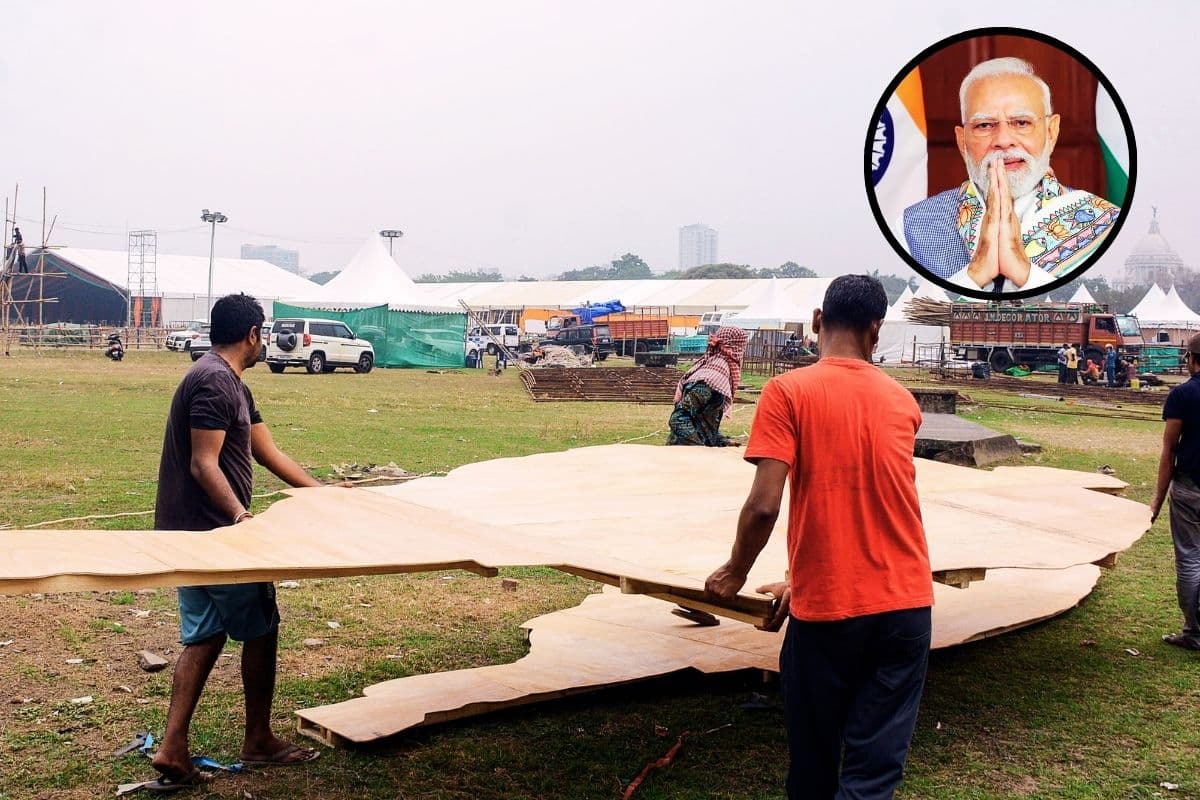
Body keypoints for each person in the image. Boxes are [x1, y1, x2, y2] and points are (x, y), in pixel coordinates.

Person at [705, 275, 933, 798]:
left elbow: (764, 506)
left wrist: (734, 572)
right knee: (873, 772)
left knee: (813, 760)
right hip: (906, 606)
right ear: (876, 331)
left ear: (815, 321)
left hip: (830, 613)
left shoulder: (788, 392)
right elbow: (868, 500)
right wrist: (797, 579)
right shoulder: (903, 401)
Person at [150, 294, 333, 788]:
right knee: (261, 628)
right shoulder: (213, 382)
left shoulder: (232, 385)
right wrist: (240, 517)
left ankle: (172, 747)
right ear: (252, 334)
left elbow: (267, 452)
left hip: (192, 532)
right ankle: (257, 740)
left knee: (205, 634)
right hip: (215, 533)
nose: (265, 343)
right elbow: (202, 463)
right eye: (263, 334)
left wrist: (324, 493)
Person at [902, 58, 1120, 293]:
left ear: (1051, 132)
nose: (1004, 140)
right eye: (984, 125)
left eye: (1021, 123)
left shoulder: (1105, 223)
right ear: (962, 140)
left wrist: (1025, 274)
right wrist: (974, 274)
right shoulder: (912, 227)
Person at [1151, 333, 1200, 652]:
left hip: (1189, 487)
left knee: (1190, 558)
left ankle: (1194, 631)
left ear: (1191, 359)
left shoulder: (1182, 395)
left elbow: (1169, 450)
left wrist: (1157, 500)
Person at [666, 326, 748, 447]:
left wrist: (721, 440)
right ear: (733, 348)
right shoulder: (711, 379)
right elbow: (678, 419)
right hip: (684, 453)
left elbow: (702, 421)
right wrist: (700, 449)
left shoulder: (713, 370)